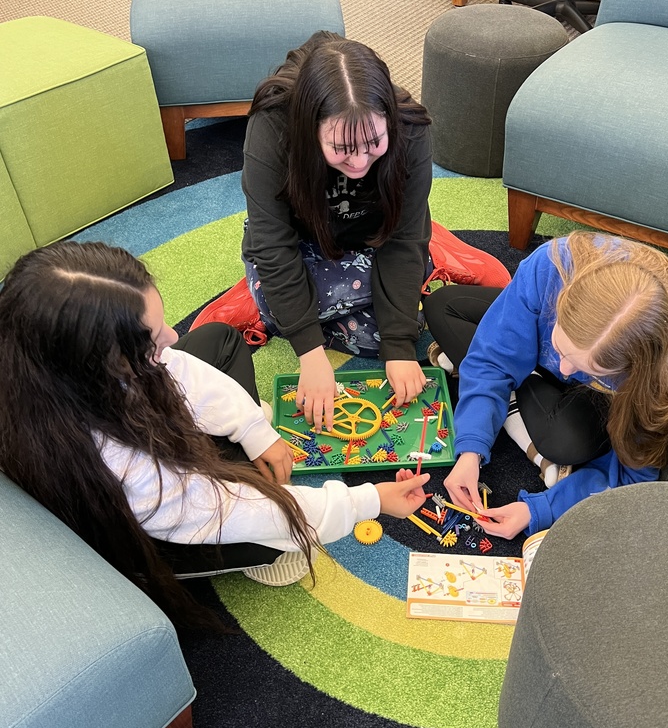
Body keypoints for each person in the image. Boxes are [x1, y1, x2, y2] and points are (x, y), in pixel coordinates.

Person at [0, 242, 430, 630]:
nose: (173, 336)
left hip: (151, 445)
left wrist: (252, 429)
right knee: (275, 538)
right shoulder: (122, 465)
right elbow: (235, 509)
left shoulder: (57, 366)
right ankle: (256, 555)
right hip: (147, 527)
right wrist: (368, 501)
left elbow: (178, 367)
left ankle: (236, 448)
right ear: (99, 367)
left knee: (219, 340)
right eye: (152, 341)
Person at [193, 31, 510, 435]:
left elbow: (402, 241)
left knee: (389, 338)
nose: (359, 162)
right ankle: (259, 296)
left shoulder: (410, 126)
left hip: (375, 235)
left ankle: (432, 241)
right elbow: (273, 244)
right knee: (292, 315)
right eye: (341, 148)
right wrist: (309, 353)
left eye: (374, 142)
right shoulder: (273, 126)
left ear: (388, 119)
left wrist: (399, 346)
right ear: (310, 129)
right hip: (302, 241)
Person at [423, 232, 668, 540]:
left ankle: (513, 389)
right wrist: (471, 448)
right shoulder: (551, 266)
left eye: (587, 367)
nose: (564, 368)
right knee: (443, 306)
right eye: (560, 346)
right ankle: (520, 378)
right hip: (538, 342)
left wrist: (540, 509)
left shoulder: (657, 373)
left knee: (565, 444)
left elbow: (633, 480)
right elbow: (492, 358)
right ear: (561, 302)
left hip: (582, 401)